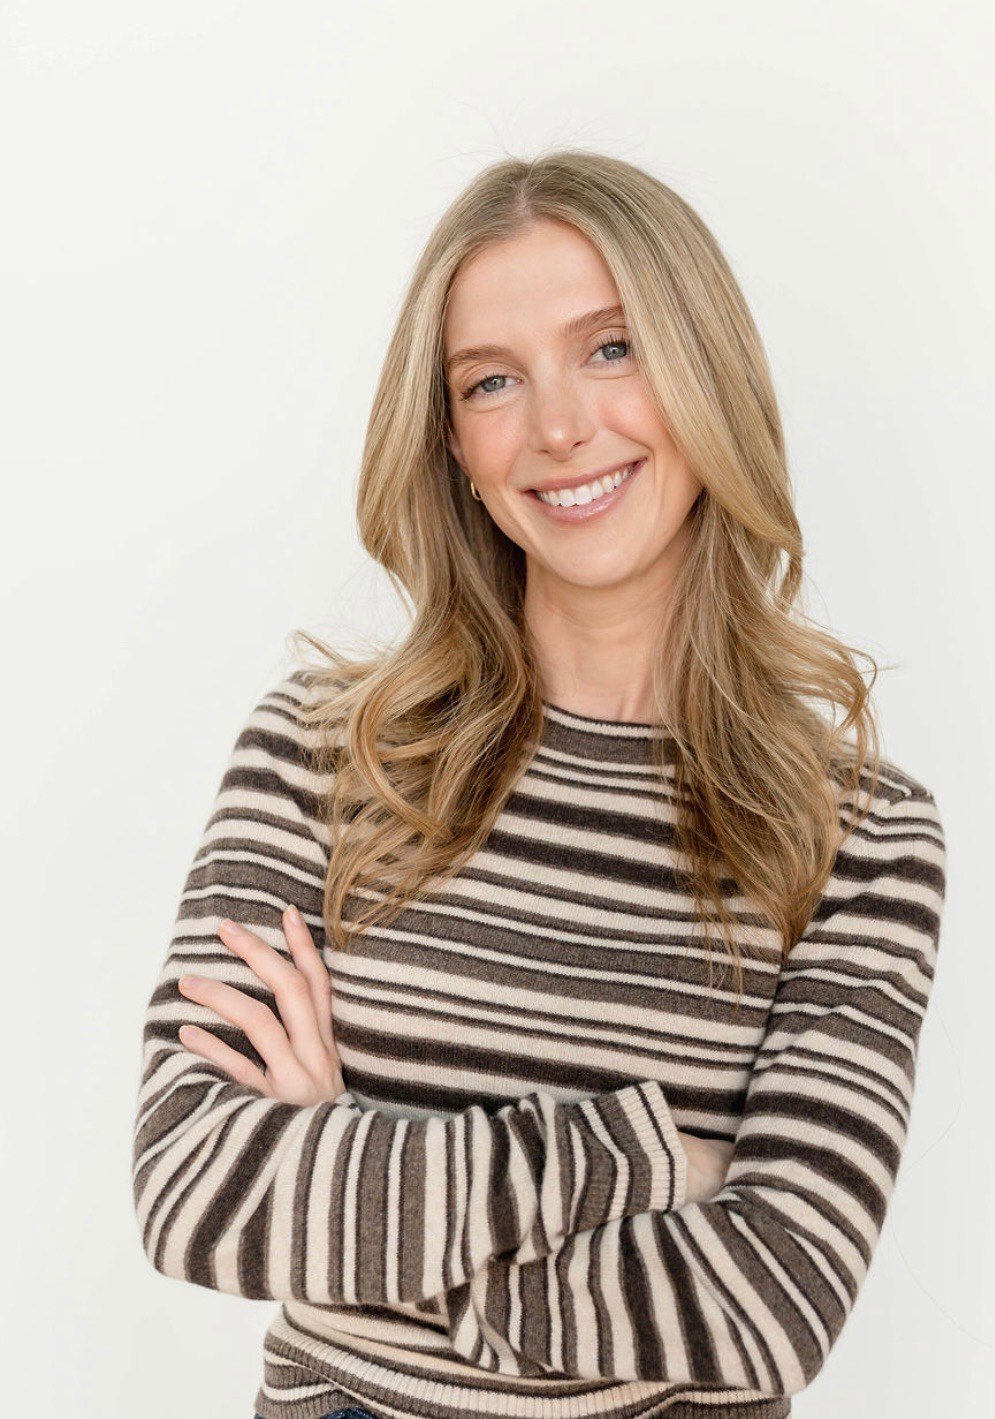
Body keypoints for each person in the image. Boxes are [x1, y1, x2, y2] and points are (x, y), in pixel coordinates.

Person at [132, 148, 947, 1419]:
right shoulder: (322, 751)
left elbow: (776, 1302)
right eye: (493, 381)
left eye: (610, 349)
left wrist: (356, 1174)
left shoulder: (856, 834)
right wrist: (639, 1156)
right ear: (455, 442)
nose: (559, 425)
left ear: (705, 376)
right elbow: (197, 1190)